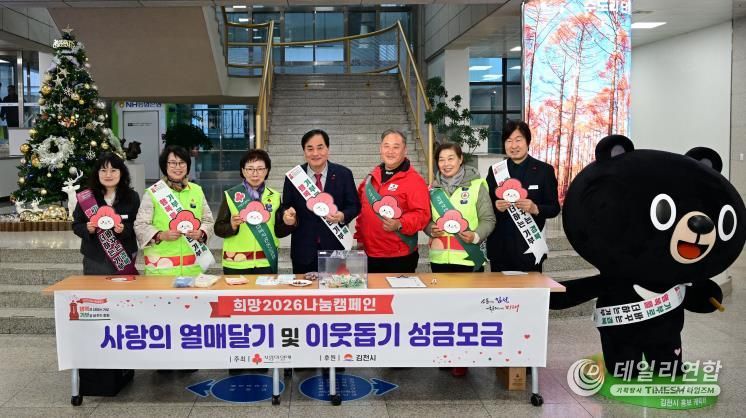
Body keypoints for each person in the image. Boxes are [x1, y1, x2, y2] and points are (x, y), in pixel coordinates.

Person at [276, 129, 361, 274]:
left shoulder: (343, 174)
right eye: (310, 149)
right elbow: (286, 206)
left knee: (334, 287)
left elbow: (354, 205)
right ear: (304, 151)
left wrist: (342, 215)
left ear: (328, 149)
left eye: (320, 147)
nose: (315, 153)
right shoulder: (294, 177)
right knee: (304, 288)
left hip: (334, 248)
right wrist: (287, 214)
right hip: (303, 251)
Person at [486, 120, 560, 272]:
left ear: (528, 142)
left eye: (518, 140)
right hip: (500, 249)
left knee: (531, 288)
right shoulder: (495, 171)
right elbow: (485, 206)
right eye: (509, 141)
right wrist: (495, 206)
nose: (513, 146)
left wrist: (535, 208)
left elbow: (554, 208)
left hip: (530, 249)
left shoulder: (544, 170)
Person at [355, 129, 430, 273]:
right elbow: (362, 212)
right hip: (369, 254)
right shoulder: (371, 178)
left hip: (399, 256)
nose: (390, 151)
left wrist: (400, 223)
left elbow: (422, 215)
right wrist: (359, 238)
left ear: (405, 150)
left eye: (396, 147)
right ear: (380, 149)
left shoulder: (414, 180)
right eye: (386, 146)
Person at [134, 145, 215, 277]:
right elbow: (140, 225)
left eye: (182, 163)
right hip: (161, 271)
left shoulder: (197, 190)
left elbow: (208, 221)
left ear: (187, 165)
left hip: (193, 270)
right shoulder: (153, 192)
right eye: (172, 163)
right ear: (164, 165)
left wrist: (202, 232)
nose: (178, 167)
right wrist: (160, 235)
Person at [426, 143, 495, 273]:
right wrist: (430, 229)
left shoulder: (476, 186)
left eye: (451, 158)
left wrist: (475, 236)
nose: (446, 164)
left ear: (460, 159)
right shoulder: (432, 190)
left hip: (470, 258)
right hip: (439, 260)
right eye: (441, 160)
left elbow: (488, 219)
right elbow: (425, 220)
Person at [72, 152, 140, 275]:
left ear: (121, 172)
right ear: (97, 173)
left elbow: (138, 224)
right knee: (96, 288)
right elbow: (76, 225)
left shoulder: (132, 196)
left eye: (113, 170)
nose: (108, 175)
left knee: (125, 288)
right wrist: (87, 229)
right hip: (95, 258)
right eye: (103, 170)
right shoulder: (86, 197)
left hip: (124, 255)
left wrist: (124, 229)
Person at [215, 149, 280, 275]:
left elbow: (279, 230)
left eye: (260, 169)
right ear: (243, 171)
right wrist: (232, 225)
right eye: (250, 169)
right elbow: (218, 228)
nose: (255, 173)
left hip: (266, 262)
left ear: (267, 171)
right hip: (236, 264)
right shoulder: (231, 195)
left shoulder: (275, 196)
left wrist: (289, 222)